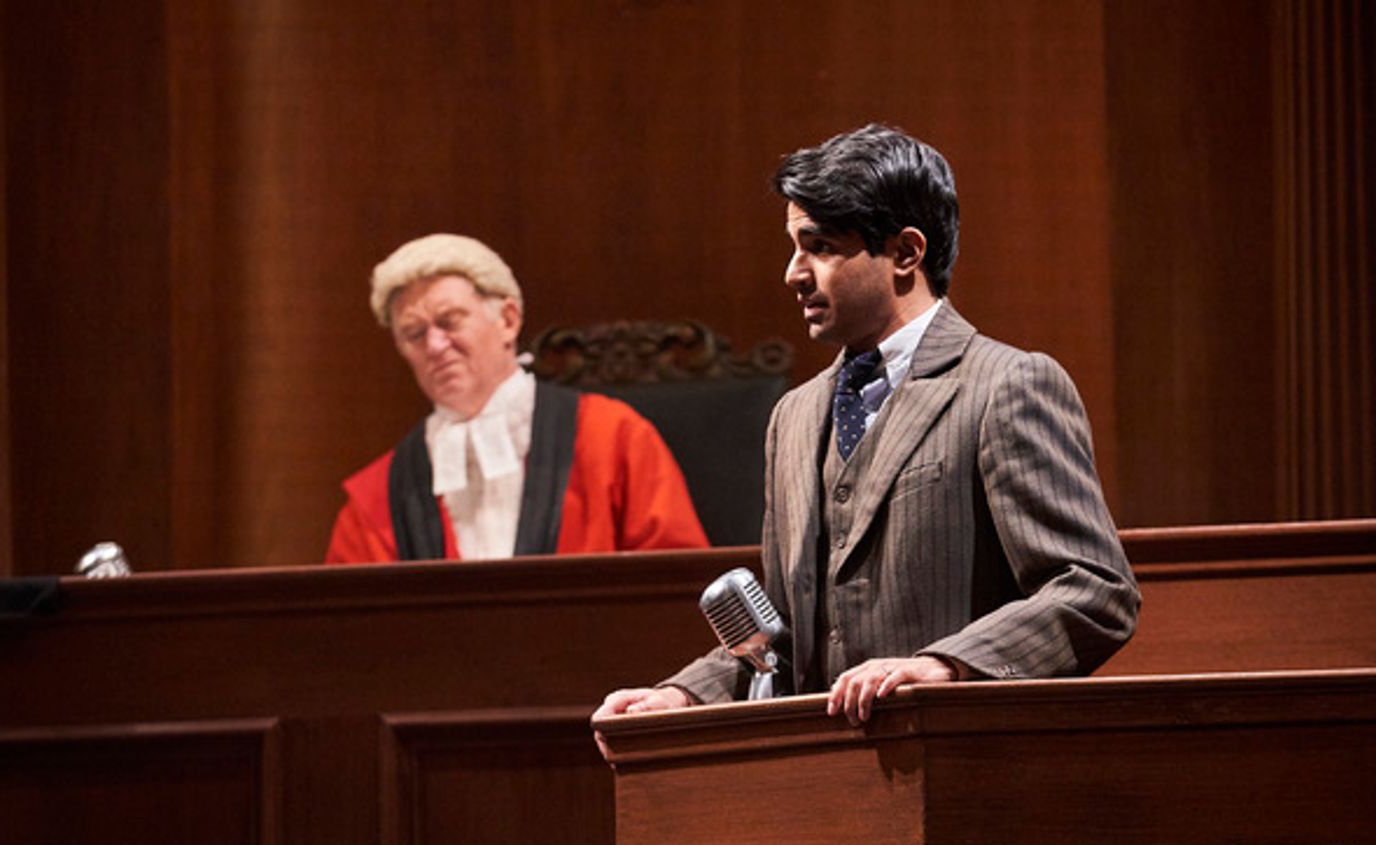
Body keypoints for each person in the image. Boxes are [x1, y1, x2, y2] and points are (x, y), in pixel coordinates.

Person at [595, 125, 1140, 728]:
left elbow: (1093, 591)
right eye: (793, 246)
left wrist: (945, 667)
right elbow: (785, 632)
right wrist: (685, 694)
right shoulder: (795, 417)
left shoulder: (1005, 386)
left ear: (906, 253)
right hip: (822, 784)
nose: (793, 273)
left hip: (959, 766)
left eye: (820, 246)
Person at [326, 233, 709, 562]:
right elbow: (348, 634)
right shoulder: (373, 502)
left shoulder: (614, 439)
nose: (435, 345)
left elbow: (676, 594)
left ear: (507, 320)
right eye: (414, 333)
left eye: (449, 321)